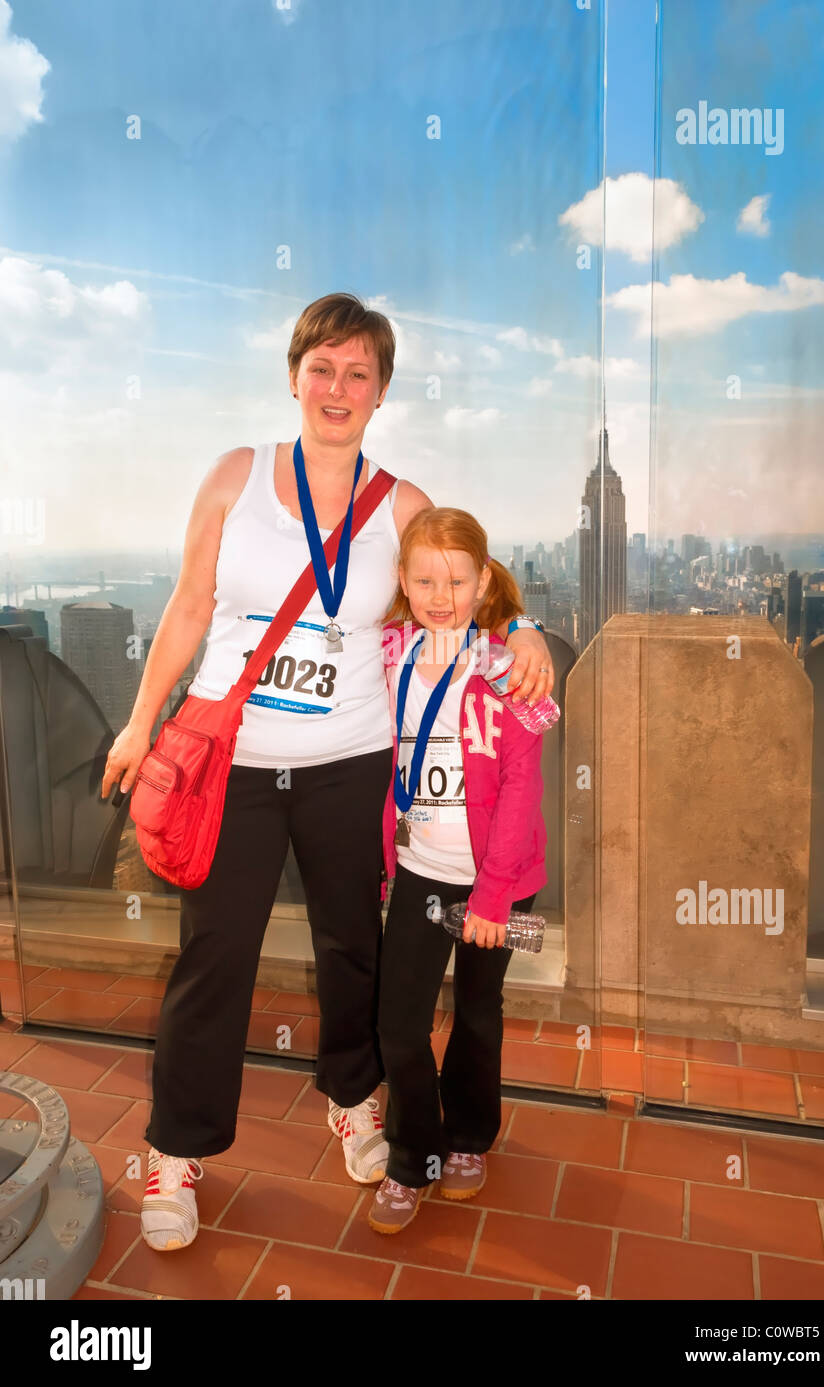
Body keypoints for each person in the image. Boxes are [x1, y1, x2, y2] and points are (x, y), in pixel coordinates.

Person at [98, 291, 554, 1252]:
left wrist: (523, 630)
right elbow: (188, 608)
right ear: (295, 375)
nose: (338, 388)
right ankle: (177, 1154)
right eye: (323, 368)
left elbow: (470, 587)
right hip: (238, 765)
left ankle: (355, 1103)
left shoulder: (406, 504)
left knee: (357, 951)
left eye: (359, 373)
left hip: (351, 764)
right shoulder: (237, 477)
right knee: (213, 957)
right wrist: (141, 724)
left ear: (381, 391)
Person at [369, 506, 548, 1233]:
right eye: (425, 580)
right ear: (404, 583)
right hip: (419, 870)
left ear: (482, 582)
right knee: (400, 1024)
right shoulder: (388, 654)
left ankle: (470, 1137)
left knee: (478, 1010)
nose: (441, 595)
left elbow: (520, 788)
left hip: (498, 880)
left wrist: (495, 898)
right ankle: (413, 1156)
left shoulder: (508, 671)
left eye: (457, 579)